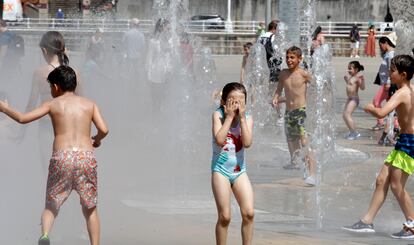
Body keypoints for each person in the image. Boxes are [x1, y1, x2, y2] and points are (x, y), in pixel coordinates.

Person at [0, 65, 108, 245]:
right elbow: (104, 129)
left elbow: (22, 118)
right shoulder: (90, 104)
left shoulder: (52, 104)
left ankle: (45, 235)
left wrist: (3, 108)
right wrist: (96, 139)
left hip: (62, 158)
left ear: (56, 87)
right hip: (85, 158)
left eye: (50, 87)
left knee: (51, 205)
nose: (50, 91)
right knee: (90, 209)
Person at [342, 55, 414, 240]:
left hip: (409, 142)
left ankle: (412, 223)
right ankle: (367, 221)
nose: (389, 73)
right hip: (404, 141)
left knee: (397, 185)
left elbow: (382, 112)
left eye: (392, 70)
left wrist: (369, 108)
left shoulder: (402, 93)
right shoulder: (408, 90)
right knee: (382, 180)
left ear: (403, 74)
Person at [24, 31, 83, 171]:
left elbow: (31, 104)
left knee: (49, 168)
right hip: (72, 127)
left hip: (47, 127)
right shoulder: (75, 72)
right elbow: (81, 102)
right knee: (70, 170)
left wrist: (22, 130)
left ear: (44, 50)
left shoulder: (40, 72)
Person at [212, 82, 254, 245]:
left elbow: (248, 143)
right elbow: (220, 140)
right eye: (232, 101)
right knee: (225, 216)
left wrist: (242, 118)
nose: (236, 104)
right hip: (220, 171)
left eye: (241, 101)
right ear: (223, 102)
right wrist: (229, 117)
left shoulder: (248, 118)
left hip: (239, 172)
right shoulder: (218, 115)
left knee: (249, 213)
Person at [272, 46, 316, 186]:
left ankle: (312, 173)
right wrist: (276, 97)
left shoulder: (304, 74)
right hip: (289, 112)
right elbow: (279, 89)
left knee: (304, 141)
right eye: (287, 57)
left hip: (300, 111)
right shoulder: (283, 74)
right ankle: (297, 163)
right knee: (291, 139)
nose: (289, 60)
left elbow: (317, 86)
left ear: (299, 59)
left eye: (292, 57)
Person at [371, 32, 397, 131]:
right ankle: (395, 125)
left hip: (387, 84)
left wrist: (389, 82)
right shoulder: (388, 54)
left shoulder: (390, 55)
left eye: (381, 45)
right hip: (385, 83)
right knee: (391, 105)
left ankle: (380, 122)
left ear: (386, 43)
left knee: (376, 101)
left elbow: (392, 69)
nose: (380, 47)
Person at [343, 61, 365, 140]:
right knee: (344, 115)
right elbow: (350, 85)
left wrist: (362, 81)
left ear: (356, 69)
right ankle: (351, 131)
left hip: (354, 99)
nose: (348, 70)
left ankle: (355, 133)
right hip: (349, 98)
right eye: (348, 68)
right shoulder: (350, 77)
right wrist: (346, 80)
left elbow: (362, 88)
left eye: (350, 69)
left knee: (347, 115)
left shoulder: (357, 78)